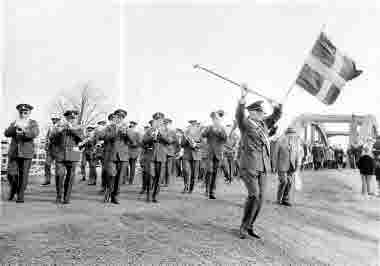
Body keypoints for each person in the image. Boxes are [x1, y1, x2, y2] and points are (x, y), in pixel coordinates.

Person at [236, 85, 282, 239]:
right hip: (249, 165)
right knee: (254, 195)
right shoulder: (245, 124)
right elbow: (239, 116)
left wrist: (276, 106)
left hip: (263, 166)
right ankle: (243, 226)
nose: (263, 115)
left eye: (264, 113)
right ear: (253, 113)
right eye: (261, 113)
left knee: (260, 199)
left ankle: (250, 226)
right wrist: (242, 100)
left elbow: (276, 116)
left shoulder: (263, 125)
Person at [4, 104, 40, 203]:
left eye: (25, 112)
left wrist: (24, 131)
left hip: (26, 152)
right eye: (21, 112)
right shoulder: (15, 122)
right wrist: (14, 127)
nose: (23, 114)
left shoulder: (32, 123)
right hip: (14, 152)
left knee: (24, 175)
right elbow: (6, 133)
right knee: (10, 174)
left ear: (29, 113)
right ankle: (13, 189)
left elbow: (35, 133)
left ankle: (21, 195)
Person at [97, 109, 131, 204]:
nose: (119, 119)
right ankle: (108, 192)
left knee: (119, 178)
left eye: (121, 117)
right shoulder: (109, 127)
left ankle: (115, 196)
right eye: (117, 117)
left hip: (122, 156)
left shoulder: (127, 128)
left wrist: (126, 132)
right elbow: (101, 136)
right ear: (114, 117)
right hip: (111, 155)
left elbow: (133, 141)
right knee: (111, 175)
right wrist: (116, 132)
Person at [49, 110, 83, 204]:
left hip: (73, 153)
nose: (71, 119)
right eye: (69, 118)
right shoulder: (60, 126)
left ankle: (67, 197)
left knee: (70, 176)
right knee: (59, 175)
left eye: (73, 118)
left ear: (75, 118)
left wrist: (72, 129)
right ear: (66, 118)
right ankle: (59, 196)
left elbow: (81, 138)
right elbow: (52, 138)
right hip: (60, 153)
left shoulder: (78, 127)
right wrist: (58, 132)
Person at [142, 112, 170, 203]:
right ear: (154, 120)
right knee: (150, 176)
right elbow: (143, 141)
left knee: (159, 177)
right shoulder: (150, 130)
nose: (158, 121)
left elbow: (169, 141)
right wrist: (151, 138)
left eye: (160, 120)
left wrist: (160, 135)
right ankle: (149, 195)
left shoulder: (166, 130)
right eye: (156, 120)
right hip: (151, 156)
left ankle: (155, 196)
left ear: (162, 120)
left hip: (161, 156)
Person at [201, 110, 227, 199]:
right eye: (214, 119)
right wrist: (207, 129)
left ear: (219, 120)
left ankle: (212, 192)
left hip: (218, 153)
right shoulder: (209, 127)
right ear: (212, 120)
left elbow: (225, 139)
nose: (216, 120)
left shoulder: (222, 128)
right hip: (210, 153)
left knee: (215, 173)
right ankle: (207, 190)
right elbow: (203, 135)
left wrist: (219, 131)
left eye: (217, 119)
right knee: (209, 171)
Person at [272, 127, 301, 206]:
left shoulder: (295, 144)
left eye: (293, 134)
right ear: (286, 134)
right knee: (284, 181)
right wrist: (274, 166)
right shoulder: (280, 142)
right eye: (290, 134)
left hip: (291, 166)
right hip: (281, 165)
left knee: (290, 183)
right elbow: (275, 155)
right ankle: (279, 199)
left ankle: (285, 199)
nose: (292, 136)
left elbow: (297, 155)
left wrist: (297, 165)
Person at [182, 120, 202, 193]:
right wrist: (187, 140)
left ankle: (191, 188)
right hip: (187, 154)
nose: (192, 125)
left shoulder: (200, 133)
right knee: (186, 171)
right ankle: (186, 187)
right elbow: (182, 144)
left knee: (194, 173)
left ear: (196, 125)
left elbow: (203, 143)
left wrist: (196, 145)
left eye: (194, 124)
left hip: (196, 155)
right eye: (191, 124)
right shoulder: (186, 133)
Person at [41, 115, 61, 186]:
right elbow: (47, 137)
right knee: (47, 164)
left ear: (58, 119)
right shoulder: (50, 127)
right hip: (50, 149)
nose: (54, 120)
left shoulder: (61, 127)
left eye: (55, 119)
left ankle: (59, 180)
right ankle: (47, 179)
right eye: (53, 119)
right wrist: (46, 146)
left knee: (58, 166)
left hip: (58, 149)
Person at [125, 121, 141, 185]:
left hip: (134, 151)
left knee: (132, 167)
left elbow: (139, 142)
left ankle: (131, 180)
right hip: (126, 151)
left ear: (135, 125)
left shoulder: (137, 133)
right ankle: (125, 179)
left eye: (133, 124)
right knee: (125, 166)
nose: (131, 125)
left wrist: (134, 144)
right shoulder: (127, 131)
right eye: (131, 124)